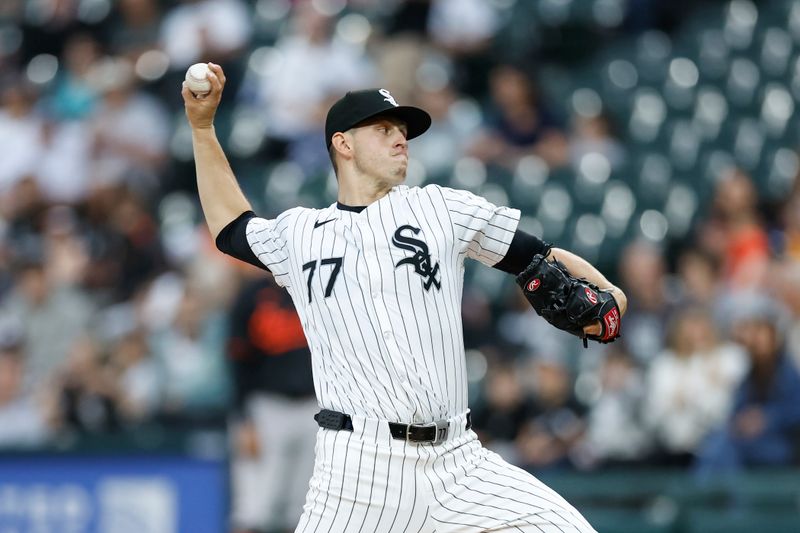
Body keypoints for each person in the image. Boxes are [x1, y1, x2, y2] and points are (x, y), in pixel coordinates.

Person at [183, 63, 628, 532]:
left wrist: (612, 291)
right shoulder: (299, 233)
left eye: (402, 130)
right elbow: (231, 228)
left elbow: (540, 255)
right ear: (343, 144)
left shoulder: (441, 208)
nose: (400, 139)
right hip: (357, 472)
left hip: (458, 462)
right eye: (383, 129)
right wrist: (202, 128)